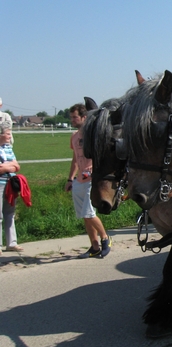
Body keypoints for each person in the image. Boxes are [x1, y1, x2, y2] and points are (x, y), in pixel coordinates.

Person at [65, 103, 112, 258]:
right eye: (71, 117)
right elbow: (75, 159)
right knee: (84, 215)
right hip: (79, 180)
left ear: (84, 117)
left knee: (89, 212)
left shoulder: (92, 135)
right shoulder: (74, 136)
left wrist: (93, 171)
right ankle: (94, 245)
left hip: (91, 179)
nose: (72, 120)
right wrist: (70, 179)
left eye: (75, 117)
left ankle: (105, 238)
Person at [0, 121, 23, 254]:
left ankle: (11, 243)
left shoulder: (8, 147)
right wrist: (9, 166)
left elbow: (16, 165)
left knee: (10, 212)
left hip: (9, 184)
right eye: (8, 133)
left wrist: (5, 166)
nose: (10, 136)